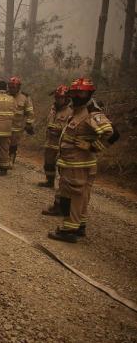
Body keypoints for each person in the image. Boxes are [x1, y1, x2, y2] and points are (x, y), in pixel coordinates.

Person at [43, 77, 119, 243]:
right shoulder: (76, 110)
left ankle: (69, 230)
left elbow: (112, 133)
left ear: (89, 93)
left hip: (78, 165)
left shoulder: (91, 113)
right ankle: (80, 226)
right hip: (74, 164)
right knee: (81, 196)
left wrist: (92, 147)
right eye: (75, 92)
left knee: (74, 197)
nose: (77, 95)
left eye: (81, 92)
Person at [38, 85, 72, 188]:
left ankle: (63, 187)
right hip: (49, 142)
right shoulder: (53, 109)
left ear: (66, 98)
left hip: (61, 144)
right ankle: (49, 181)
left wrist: (60, 131)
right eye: (57, 98)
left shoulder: (70, 112)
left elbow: (70, 130)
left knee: (62, 167)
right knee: (48, 164)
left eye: (60, 98)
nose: (58, 100)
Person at [7, 76, 35, 167]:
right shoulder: (5, 96)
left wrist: (29, 124)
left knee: (13, 144)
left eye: (13, 87)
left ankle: (11, 159)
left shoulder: (24, 98)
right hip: (4, 125)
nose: (11, 89)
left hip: (17, 127)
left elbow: (30, 112)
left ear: (18, 87)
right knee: (2, 143)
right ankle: (1, 159)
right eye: (10, 87)